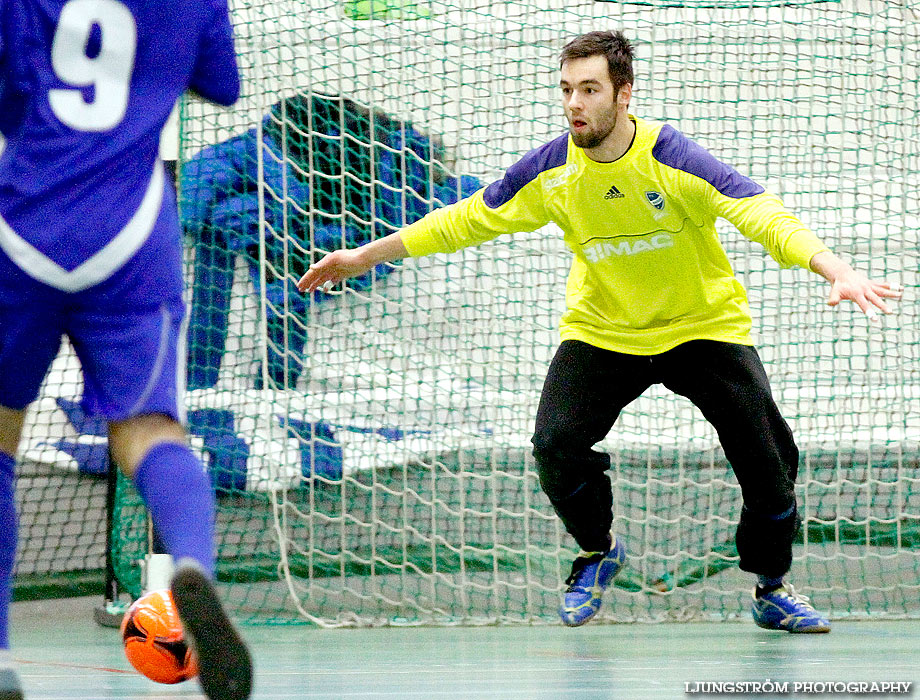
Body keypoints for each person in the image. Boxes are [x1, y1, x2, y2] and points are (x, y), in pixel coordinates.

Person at [297, 30, 902, 634]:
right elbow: (465, 220)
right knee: (555, 444)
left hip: (701, 326)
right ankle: (597, 551)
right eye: (566, 90)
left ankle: (771, 587)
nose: (574, 104)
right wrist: (361, 258)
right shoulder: (552, 170)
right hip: (604, 330)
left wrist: (837, 268)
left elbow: (763, 214)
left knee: (771, 461)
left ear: (624, 95)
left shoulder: (674, 159)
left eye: (589, 90)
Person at [0, 0, 252, 698]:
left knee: (0, 433)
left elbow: (10, 93)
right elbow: (223, 84)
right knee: (149, 430)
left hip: (26, 223)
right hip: (134, 234)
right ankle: (192, 567)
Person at [181, 91, 481, 390]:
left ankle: (264, 385)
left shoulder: (392, 167)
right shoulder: (255, 165)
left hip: (327, 252)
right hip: (309, 255)